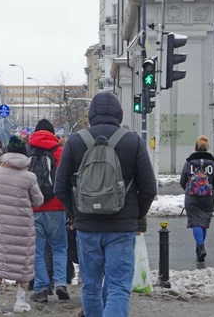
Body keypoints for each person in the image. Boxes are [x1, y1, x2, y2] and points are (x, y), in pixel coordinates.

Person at [54, 91, 156, 317]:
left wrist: (77, 212)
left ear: (91, 115)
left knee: (90, 286)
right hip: (121, 227)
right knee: (118, 286)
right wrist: (135, 216)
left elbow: (60, 187)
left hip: (87, 226)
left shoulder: (76, 141)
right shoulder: (133, 142)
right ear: (118, 114)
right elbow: (149, 188)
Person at [0, 136, 44, 313]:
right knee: (22, 262)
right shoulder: (29, 177)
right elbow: (39, 200)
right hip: (22, 227)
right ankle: (20, 301)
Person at [27, 119, 69, 303]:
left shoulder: (27, 152)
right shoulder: (60, 151)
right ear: (52, 133)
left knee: (37, 250)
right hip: (57, 207)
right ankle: (60, 282)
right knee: (60, 247)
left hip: (34, 207)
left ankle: (42, 288)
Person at [179, 135, 214, 263]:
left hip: (192, 196)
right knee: (204, 222)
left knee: (196, 222)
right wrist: (213, 190)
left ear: (195, 148)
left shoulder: (189, 163)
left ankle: (200, 246)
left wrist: (188, 189)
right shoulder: (212, 164)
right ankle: (199, 247)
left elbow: (182, 181)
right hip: (208, 197)